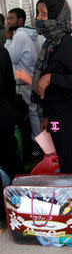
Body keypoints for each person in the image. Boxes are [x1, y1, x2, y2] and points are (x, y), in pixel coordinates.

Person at [32, 0, 72, 173]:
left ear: (57, 16)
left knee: (70, 159)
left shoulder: (67, 43)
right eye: (38, 13)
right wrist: (48, 116)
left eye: (43, 14)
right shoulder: (50, 43)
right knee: (64, 157)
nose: (38, 18)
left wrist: (51, 78)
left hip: (67, 112)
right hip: (56, 112)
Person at [5, 8, 42, 158]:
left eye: (11, 18)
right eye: (8, 18)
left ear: (20, 20)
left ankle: (37, 145)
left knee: (32, 113)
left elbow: (11, 58)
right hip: (33, 78)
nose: (8, 22)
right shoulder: (32, 34)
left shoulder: (19, 35)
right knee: (38, 112)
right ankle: (41, 143)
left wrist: (8, 40)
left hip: (24, 80)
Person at [0, 47, 20, 179]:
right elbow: (10, 84)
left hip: (4, 108)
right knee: (9, 153)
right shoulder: (2, 51)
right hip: (4, 110)